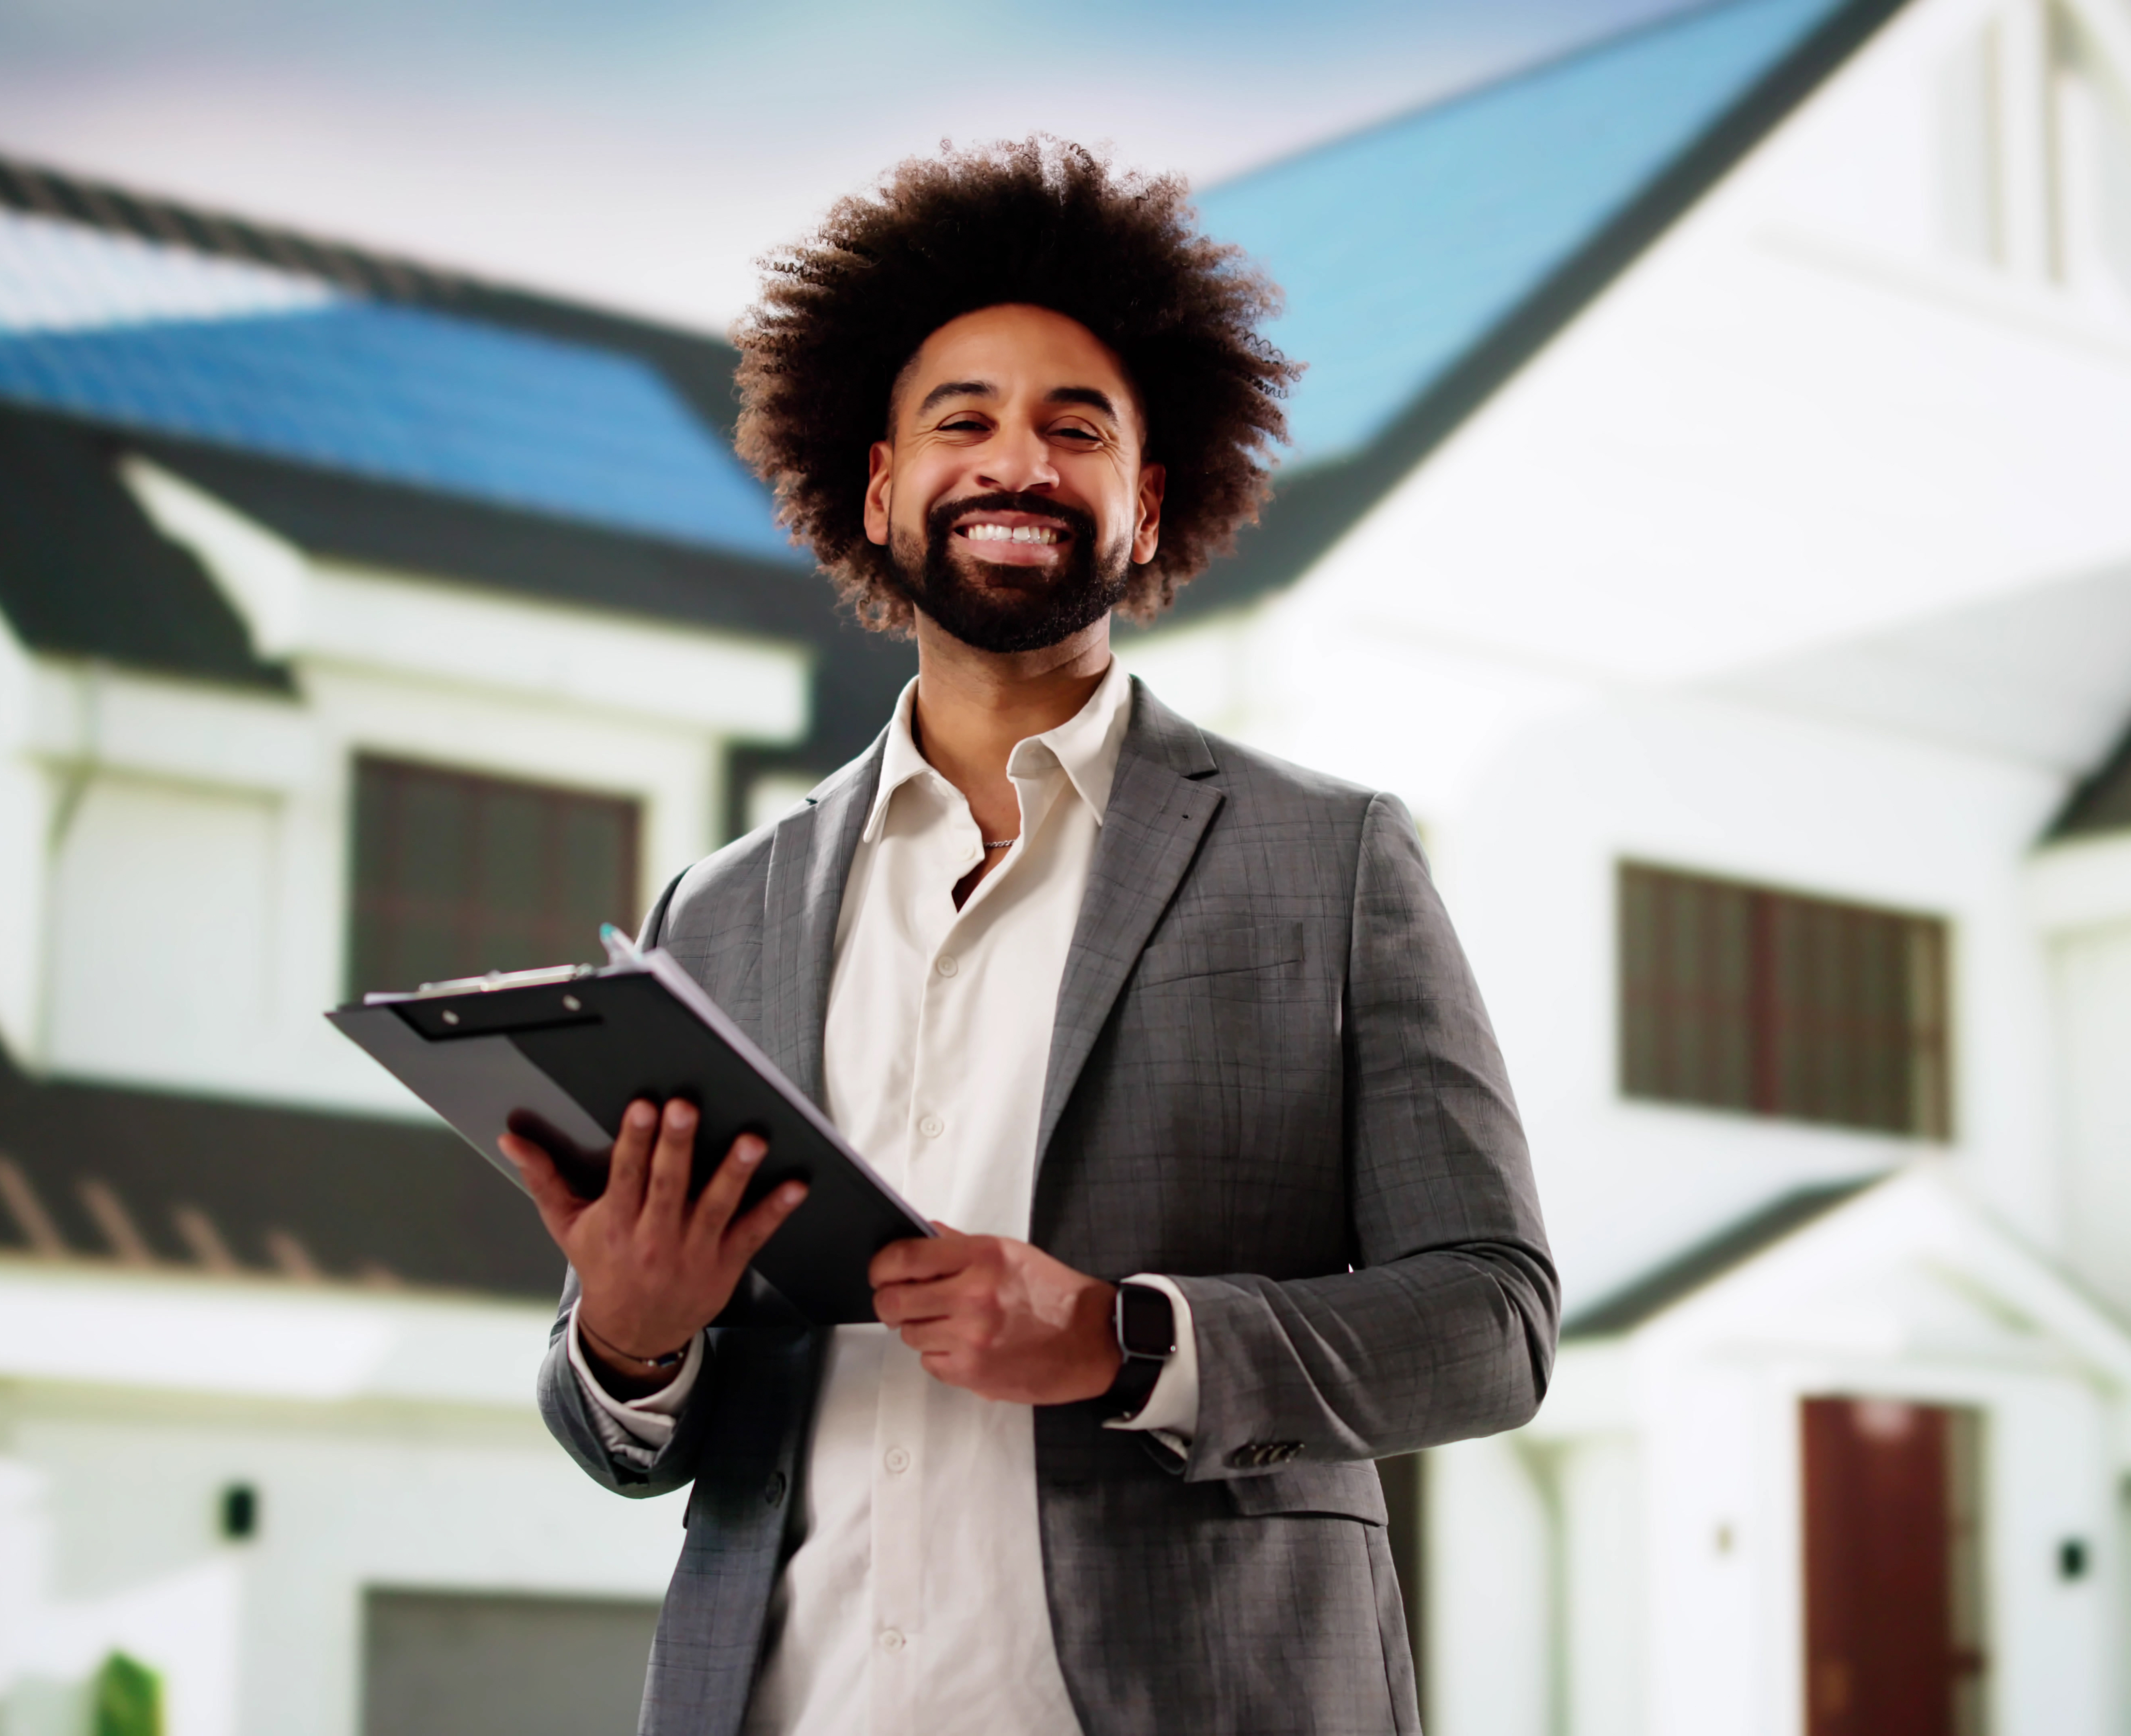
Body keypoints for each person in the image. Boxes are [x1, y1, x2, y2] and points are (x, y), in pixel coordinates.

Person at [501, 138, 1554, 1736]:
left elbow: (1490, 1324)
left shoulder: (1329, 861)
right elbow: (631, 1442)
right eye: (961, 421)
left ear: (1147, 510)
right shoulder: (716, 913)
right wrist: (630, 1342)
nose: (1017, 462)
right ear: (876, 490)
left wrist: (1129, 1340)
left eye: (1077, 429)